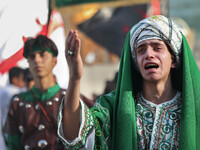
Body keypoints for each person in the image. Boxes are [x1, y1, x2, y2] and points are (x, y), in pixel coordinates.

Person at [57, 15, 200, 150]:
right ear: (135, 63)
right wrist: (75, 77)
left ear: (174, 59)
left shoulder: (193, 108)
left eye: (157, 47)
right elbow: (74, 136)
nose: (149, 54)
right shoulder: (113, 107)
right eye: (141, 50)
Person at [4, 35, 94, 150]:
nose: (37, 60)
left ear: (54, 61)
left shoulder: (72, 98)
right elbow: (13, 145)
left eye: (42, 55)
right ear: (28, 63)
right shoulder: (18, 102)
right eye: (32, 56)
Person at [0, 67, 26, 150]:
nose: (24, 82)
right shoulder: (10, 92)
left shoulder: (5, 91)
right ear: (15, 79)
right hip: (11, 132)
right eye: (22, 79)